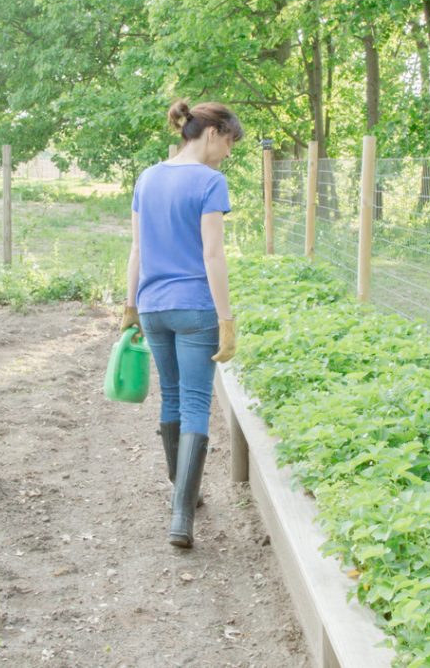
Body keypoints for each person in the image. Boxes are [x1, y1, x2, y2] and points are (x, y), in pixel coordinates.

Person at [121, 99, 243, 549]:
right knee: (195, 403)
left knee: (170, 396)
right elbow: (213, 255)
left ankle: (182, 495)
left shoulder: (146, 178)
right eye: (229, 141)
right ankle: (181, 516)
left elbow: (136, 249)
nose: (228, 153)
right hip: (194, 308)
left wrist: (130, 306)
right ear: (212, 132)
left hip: (152, 305)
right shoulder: (211, 182)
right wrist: (226, 318)